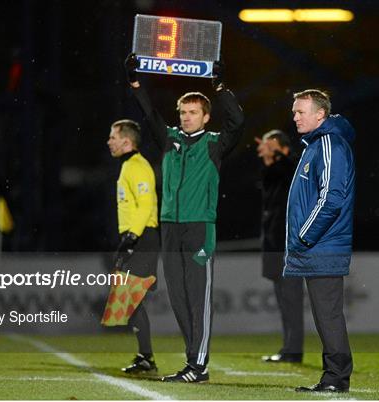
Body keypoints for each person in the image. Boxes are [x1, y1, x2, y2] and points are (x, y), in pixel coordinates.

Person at [124, 53, 244, 383]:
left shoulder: (214, 145)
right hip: (170, 229)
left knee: (198, 299)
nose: (186, 117)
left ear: (206, 116)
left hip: (198, 228)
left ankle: (198, 364)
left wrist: (220, 88)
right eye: (183, 112)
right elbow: (149, 114)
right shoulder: (171, 140)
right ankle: (194, 363)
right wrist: (135, 83)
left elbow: (237, 123)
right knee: (178, 300)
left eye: (193, 112)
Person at [284, 89, 355, 393]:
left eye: (301, 111)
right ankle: (334, 376)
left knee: (327, 315)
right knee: (325, 316)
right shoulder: (315, 144)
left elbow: (331, 198)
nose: (295, 116)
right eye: (294, 111)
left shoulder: (328, 144)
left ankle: (336, 378)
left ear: (320, 115)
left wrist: (304, 236)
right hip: (318, 247)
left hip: (322, 246)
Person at [106, 119, 160, 375]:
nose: (109, 142)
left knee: (131, 298)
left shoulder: (136, 166)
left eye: (113, 137)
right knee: (130, 300)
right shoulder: (129, 166)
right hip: (138, 237)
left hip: (142, 238)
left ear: (126, 141)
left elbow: (146, 203)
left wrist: (131, 238)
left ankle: (146, 357)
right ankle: (145, 356)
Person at [255, 130, 304, 363]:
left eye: (267, 143)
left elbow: (290, 172)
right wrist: (268, 158)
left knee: (291, 299)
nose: (262, 147)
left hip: (289, 245)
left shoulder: (293, 164)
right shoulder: (277, 169)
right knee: (284, 300)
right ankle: (289, 348)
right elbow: (270, 180)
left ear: (279, 145)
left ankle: (294, 350)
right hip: (275, 244)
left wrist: (276, 153)